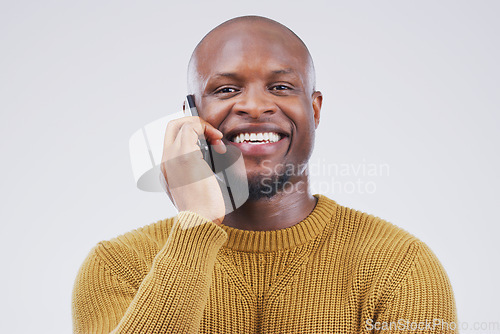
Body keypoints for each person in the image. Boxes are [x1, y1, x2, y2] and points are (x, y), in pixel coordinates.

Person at [72, 15, 458, 333]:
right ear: (191, 116)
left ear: (315, 109)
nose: (255, 106)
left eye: (280, 86)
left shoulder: (400, 266)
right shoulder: (119, 266)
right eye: (225, 89)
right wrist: (196, 228)